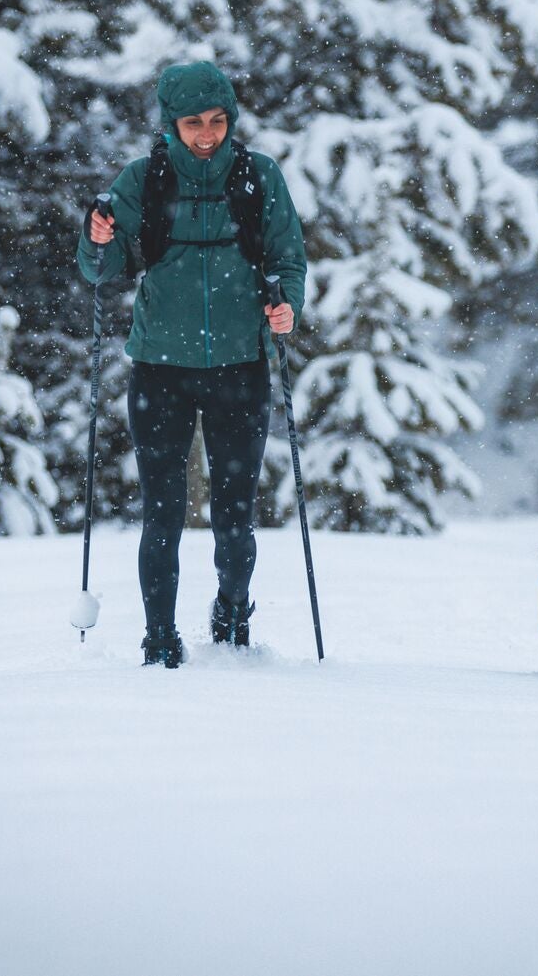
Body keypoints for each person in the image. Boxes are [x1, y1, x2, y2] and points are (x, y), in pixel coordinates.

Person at [78, 61, 307, 668]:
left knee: (235, 518)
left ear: (230, 118)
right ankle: (159, 637)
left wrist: (286, 309)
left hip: (240, 368)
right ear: (169, 125)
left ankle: (233, 611)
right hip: (161, 369)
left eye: (216, 120)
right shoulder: (141, 181)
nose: (206, 134)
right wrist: (96, 239)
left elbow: (289, 260)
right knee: (163, 512)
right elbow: (99, 271)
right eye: (192, 123)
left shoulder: (259, 177)